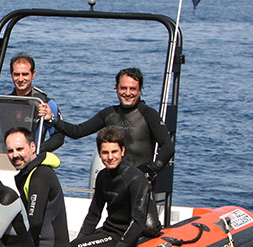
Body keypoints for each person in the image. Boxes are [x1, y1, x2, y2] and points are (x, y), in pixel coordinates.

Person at [41, 67, 173, 177]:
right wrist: (52, 119)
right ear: (116, 88)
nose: (127, 93)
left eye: (132, 89)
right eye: (123, 88)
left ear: (140, 90)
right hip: (114, 180)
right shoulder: (109, 114)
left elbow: (168, 146)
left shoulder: (149, 114)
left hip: (140, 180)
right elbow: (78, 132)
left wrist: (153, 170)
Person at [71, 126, 160, 247]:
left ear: (123, 151)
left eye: (114, 152)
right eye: (105, 152)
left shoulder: (136, 178)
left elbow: (138, 223)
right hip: (108, 232)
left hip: (123, 239)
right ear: (99, 154)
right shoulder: (102, 176)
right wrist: (79, 241)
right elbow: (94, 214)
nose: (110, 157)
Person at [4, 127, 70, 247]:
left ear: (33, 147)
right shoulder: (27, 174)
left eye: (20, 149)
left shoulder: (40, 176)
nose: (15, 155)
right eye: (10, 151)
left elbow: (34, 222)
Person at [8, 54, 64, 153]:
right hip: (6, 155)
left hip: (33, 156)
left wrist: (38, 150)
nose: (20, 79)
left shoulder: (46, 104)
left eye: (25, 74)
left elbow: (58, 137)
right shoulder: (1, 102)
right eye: (17, 74)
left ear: (33, 74)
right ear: (11, 74)